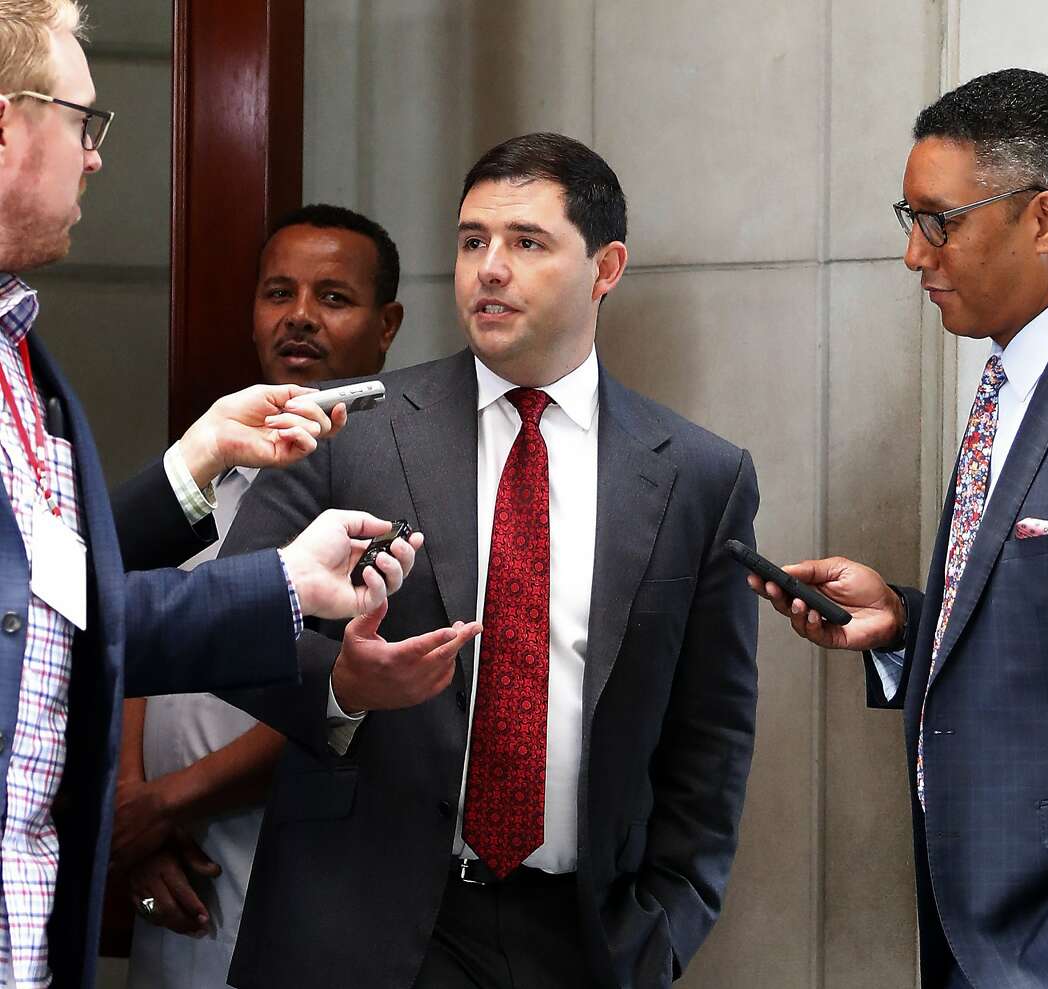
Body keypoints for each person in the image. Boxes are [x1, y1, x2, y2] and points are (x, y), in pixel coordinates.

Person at [219, 132, 760, 989]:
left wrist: (663, 926)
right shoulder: (353, 425)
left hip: (581, 938)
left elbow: (711, 736)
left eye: (526, 242)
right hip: (358, 926)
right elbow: (228, 622)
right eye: (473, 241)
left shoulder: (698, 475)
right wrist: (343, 684)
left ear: (606, 266)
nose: (490, 268)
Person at [0, 4, 433, 986]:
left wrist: (187, 465)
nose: (98, 157)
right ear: (5, 126)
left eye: (335, 298)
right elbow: (38, 615)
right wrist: (280, 583)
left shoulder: (20, 350)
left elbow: (62, 588)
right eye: (83, 122)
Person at [752, 69, 1048, 989]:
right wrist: (909, 625)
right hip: (973, 932)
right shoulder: (1012, 377)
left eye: (938, 219)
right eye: (907, 217)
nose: (915, 255)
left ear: (1044, 218)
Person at [114, 204, 406, 988]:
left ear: (387, 325)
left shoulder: (395, 484)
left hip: (295, 858)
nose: (300, 317)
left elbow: (348, 698)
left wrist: (162, 804)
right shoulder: (204, 470)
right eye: (279, 293)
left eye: (333, 298)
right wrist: (130, 814)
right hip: (171, 866)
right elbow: (133, 619)